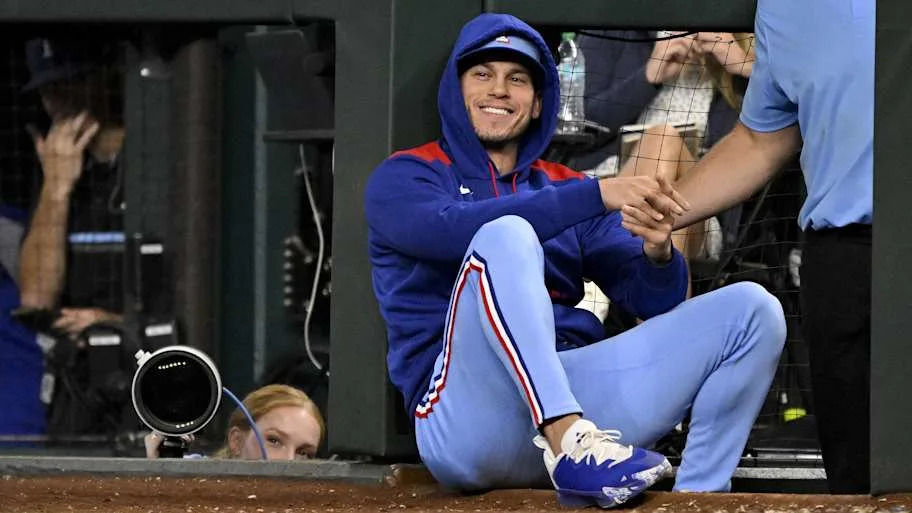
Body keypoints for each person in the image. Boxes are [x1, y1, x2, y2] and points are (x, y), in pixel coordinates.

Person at [364, 13, 786, 507]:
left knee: (752, 310)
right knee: (505, 234)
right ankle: (569, 442)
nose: (500, 90)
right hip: (467, 420)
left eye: (517, 79)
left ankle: (698, 496)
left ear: (539, 100)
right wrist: (596, 194)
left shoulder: (564, 183)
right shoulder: (406, 175)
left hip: (581, 396)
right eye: (482, 74)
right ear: (455, 90)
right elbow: (451, 231)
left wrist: (657, 252)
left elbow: (655, 300)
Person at [669, 0, 873, 494]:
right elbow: (762, 140)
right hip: (848, 262)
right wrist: (660, 213)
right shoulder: (785, 9)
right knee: (859, 477)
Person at [17, 36, 127, 435]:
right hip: (79, 385)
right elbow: (37, 297)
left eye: (72, 82)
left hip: (151, 367)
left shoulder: (155, 160)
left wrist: (117, 323)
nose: (60, 100)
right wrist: (56, 188)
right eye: (49, 89)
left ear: (104, 77)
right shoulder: (55, 168)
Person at [145, 384, 325, 460]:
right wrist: (158, 470)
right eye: (274, 441)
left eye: (304, 454)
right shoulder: (195, 479)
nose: (289, 461)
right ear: (237, 441)